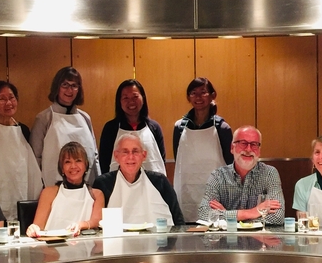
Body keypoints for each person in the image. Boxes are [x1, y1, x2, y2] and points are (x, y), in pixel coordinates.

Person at [0, 80, 42, 221]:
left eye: (12, 98)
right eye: (2, 99)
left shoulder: (23, 130)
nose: (9, 103)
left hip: (21, 192)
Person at [172, 77, 233, 222]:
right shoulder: (179, 127)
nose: (198, 97)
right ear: (188, 97)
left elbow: (231, 165)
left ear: (213, 95)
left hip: (215, 193)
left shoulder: (222, 128)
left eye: (203, 92)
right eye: (193, 93)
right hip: (187, 193)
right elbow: (178, 160)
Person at [198, 125, 285, 226]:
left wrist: (228, 215)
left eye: (254, 144)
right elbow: (204, 214)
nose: (248, 149)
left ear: (259, 150)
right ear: (232, 148)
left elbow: (278, 217)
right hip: (225, 240)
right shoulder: (218, 176)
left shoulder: (269, 173)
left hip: (260, 240)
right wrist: (254, 212)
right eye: (243, 143)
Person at [29, 67, 99, 187]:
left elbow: (94, 155)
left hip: (85, 186)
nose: (69, 90)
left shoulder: (85, 118)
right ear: (57, 87)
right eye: (65, 84)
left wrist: (97, 184)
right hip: (54, 186)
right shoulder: (44, 118)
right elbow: (35, 158)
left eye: (74, 85)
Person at [93, 133, 184, 226]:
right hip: (116, 240)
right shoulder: (103, 184)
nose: (131, 157)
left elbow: (178, 220)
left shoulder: (160, 181)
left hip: (157, 240)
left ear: (144, 155)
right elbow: (95, 223)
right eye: (125, 152)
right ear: (116, 156)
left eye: (135, 151)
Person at [26, 141, 103, 236]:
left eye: (78, 160)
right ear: (62, 168)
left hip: (84, 247)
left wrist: (80, 225)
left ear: (86, 165)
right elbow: (38, 226)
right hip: (51, 247)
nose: (73, 166)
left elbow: (95, 222)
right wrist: (33, 228)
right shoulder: (49, 192)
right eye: (67, 162)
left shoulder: (96, 195)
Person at [98, 80, 166, 175]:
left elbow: (160, 161)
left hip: (151, 186)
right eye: (125, 98)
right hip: (119, 187)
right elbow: (104, 164)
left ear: (143, 98)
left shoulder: (154, 127)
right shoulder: (110, 129)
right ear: (119, 101)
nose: (131, 102)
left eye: (135, 97)